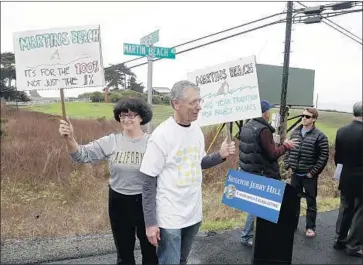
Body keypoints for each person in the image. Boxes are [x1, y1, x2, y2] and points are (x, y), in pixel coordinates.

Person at [140, 80, 236, 265]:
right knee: (170, 262)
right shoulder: (161, 136)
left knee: (182, 260)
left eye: (199, 101)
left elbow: (197, 162)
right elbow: (148, 183)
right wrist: (151, 223)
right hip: (170, 218)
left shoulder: (196, 131)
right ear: (176, 104)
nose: (198, 107)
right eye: (193, 102)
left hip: (193, 214)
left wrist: (221, 155)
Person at [58, 97, 158, 265]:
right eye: (122, 115)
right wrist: (70, 138)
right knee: (124, 254)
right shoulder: (111, 141)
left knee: (151, 253)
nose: (126, 119)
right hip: (118, 201)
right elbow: (81, 155)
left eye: (131, 115)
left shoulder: (153, 142)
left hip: (146, 202)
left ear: (142, 117)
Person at [239, 100, 297, 247]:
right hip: (263, 173)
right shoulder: (263, 130)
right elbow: (272, 154)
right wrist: (285, 146)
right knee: (260, 206)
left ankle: (250, 234)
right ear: (264, 113)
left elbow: (250, 149)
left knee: (255, 205)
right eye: (268, 110)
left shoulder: (246, 126)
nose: (270, 112)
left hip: (250, 171)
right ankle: (250, 236)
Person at [284, 107, 329, 238]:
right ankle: (292, 224)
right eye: (303, 115)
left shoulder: (320, 136)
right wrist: (288, 165)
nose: (304, 118)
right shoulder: (295, 133)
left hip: (309, 176)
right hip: (295, 174)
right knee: (293, 201)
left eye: (307, 116)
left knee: (310, 202)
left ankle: (310, 227)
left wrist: (312, 173)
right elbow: (288, 149)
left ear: (314, 119)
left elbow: (323, 156)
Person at [333, 101, 363, 258]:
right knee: (360, 212)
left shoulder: (341, 131)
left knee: (345, 208)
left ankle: (340, 240)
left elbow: (337, 158)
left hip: (345, 176)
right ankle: (353, 245)